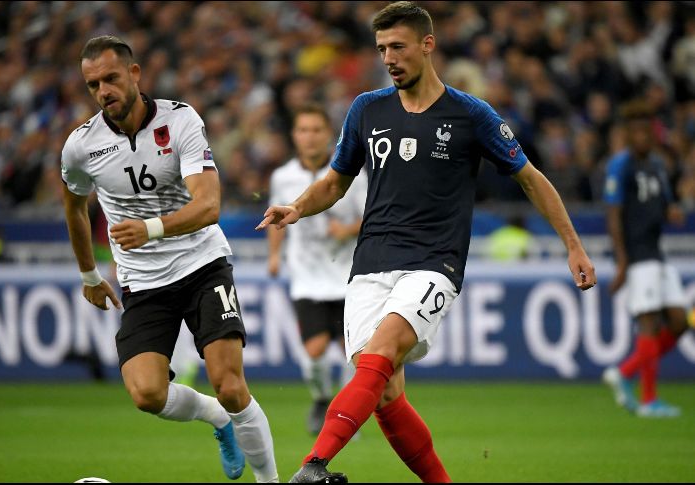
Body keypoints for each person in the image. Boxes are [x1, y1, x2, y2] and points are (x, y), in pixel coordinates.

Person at [256, 2, 597, 483]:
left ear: (427, 44)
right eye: (381, 49)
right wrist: (298, 207)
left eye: (398, 46)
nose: (389, 58)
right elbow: (335, 181)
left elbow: (531, 179)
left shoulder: (470, 113)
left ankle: (313, 465)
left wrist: (573, 245)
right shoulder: (366, 109)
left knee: (379, 357)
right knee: (384, 389)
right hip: (370, 262)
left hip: (433, 264)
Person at [61, 35, 278, 482]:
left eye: (111, 78)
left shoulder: (180, 121)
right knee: (146, 393)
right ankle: (217, 419)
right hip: (142, 282)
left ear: (134, 74)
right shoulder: (81, 146)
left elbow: (209, 206)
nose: (103, 91)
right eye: (93, 85)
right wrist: (88, 273)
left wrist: (150, 228)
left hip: (202, 265)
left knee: (231, 386)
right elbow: (74, 206)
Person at [267, 104, 367, 435]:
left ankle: (348, 412)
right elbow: (274, 218)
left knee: (352, 352)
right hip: (307, 277)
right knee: (314, 352)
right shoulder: (282, 177)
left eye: (316, 130)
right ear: (294, 136)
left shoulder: (353, 174)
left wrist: (349, 229)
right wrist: (274, 255)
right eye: (302, 130)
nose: (309, 137)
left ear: (329, 136)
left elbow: (371, 215)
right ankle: (323, 399)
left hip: (346, 275)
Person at [601, 100, 691, 418]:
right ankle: (648, 398)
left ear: (653, 134)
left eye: (646, 131)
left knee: (679, 322)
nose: (641, 136)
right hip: (638, 257)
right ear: (627, 134)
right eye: (635, 131)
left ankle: (625, 371)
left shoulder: (656, 166)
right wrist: (623, 262)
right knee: (649, 325)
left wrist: (673, 211)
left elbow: (665, 204)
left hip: (657, 253)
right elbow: (613, 215)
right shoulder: (620, 166)